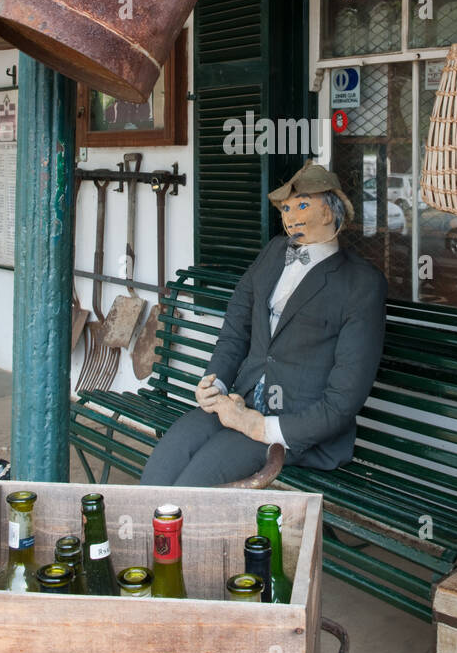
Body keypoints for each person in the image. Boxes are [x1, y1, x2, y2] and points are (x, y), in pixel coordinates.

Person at [139, 161, 388, 486]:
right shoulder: (274, 252)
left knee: (193, 485)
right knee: (161, 467)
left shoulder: (361, 284)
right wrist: (216, 385)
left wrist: (257, 427)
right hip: (239, 401)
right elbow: (235, 328)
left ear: (329, 213)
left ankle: (171, 536)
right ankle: (144, 537)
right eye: (285, 207)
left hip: (296, 428)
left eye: (301, 205)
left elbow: (342, 402)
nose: (288, 215)